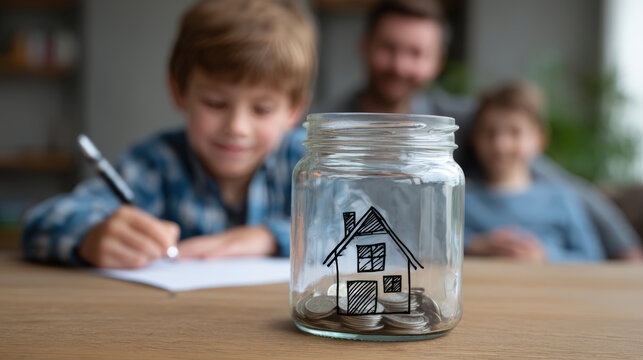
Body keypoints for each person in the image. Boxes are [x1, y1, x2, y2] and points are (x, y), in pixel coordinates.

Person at [327, 0, 642, 260]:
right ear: (365, 45)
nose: (399, 65)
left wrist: (625, 248)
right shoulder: (325, 126)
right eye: (388, 48)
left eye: (416, 53)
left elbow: (555, 181)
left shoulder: (461, 121)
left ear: (437, 61)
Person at [21, 0, 316, 268]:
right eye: (215, 103)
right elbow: (41, 222)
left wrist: (267, 238)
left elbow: (355, 227)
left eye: (262, 109)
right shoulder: (156, 164)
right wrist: (91, 236)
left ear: (293, 111)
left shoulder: (310, 164)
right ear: (179, 92)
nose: (237, 128)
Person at [464, 83, 604, 262]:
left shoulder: (562, 199)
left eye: (515, 132)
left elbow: (593, 258)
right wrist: (475, 246)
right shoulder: (461, 201)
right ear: (474, 138)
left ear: (539, 139)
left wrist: (546, 255)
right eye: (490, 132)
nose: (500, 145)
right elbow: (437, 250)